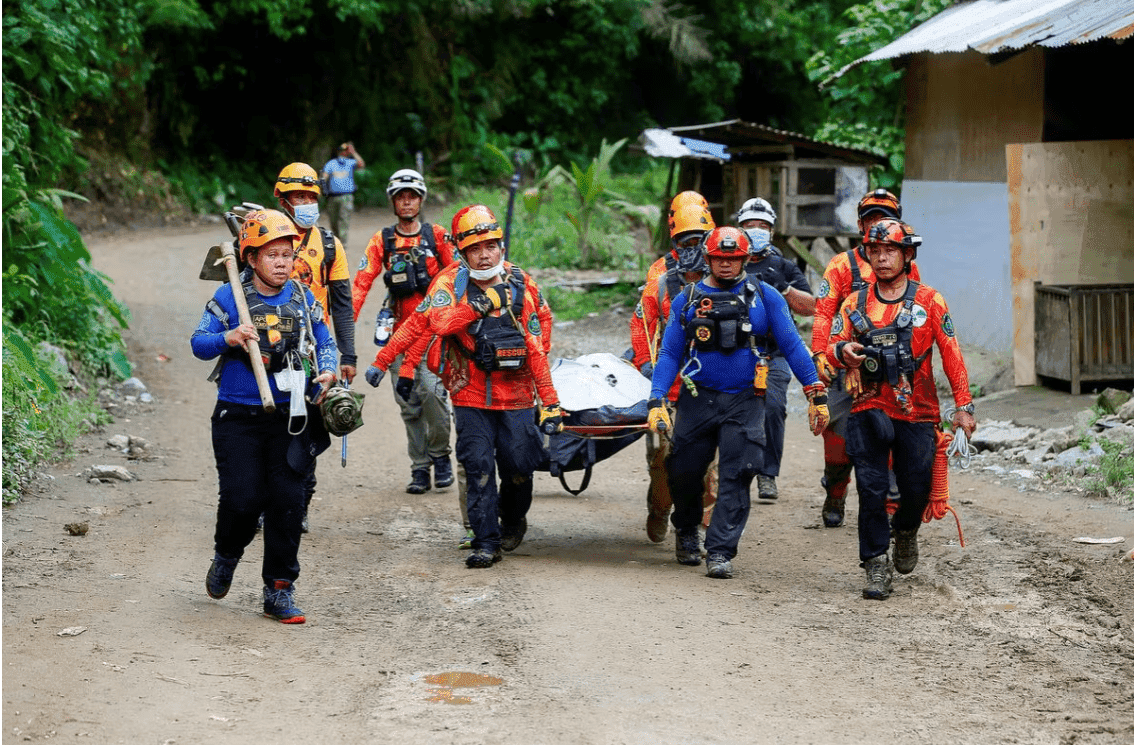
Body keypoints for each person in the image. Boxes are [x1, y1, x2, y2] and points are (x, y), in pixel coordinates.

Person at [648, 226, 830, 580]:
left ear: (745, 259)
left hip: (746, 398)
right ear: (708, 258)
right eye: (719, 258)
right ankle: (686, 528)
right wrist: (657, 398)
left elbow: (792, 344)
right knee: (683, 470)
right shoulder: (687, 298)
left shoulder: (766, 296)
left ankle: (719, 550)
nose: (726, 264)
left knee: (739, 471)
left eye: (733, 258)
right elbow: (670, 352)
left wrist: (814, 390)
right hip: (698, 397)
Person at [191, 209, 338, 624]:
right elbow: (198, 343)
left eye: (287, 255)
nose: (281, 263)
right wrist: (229, 337)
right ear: (251, 258)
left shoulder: (303, 299)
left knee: (288, 502)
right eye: (271, 255)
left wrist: (327, 371)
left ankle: (279, 589)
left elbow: (326, 343)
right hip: (237, 415)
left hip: (292, 416)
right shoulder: (229, 297)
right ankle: (227, 555)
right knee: (243, 499)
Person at [822, 218, 976, 600]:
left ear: (907, 255)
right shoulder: (854, 303)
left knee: (916, 487)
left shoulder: (930, 301)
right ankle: (875, 563)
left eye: (890, 250)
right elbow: (831, 344)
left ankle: (906, 529)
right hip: (867, 407)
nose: (882, 258)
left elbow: (952, 354)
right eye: (874, 251)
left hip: (918, 410)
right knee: (871, 488)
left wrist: (963, 406)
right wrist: (842, 352)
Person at [415, 204, 561, 569]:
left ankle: (512, 518)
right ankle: (485, 541)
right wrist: (479, 306)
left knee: (519, 466)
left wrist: (550, 401)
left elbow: (539, 339)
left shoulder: (522, 284)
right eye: (475, 249)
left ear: (501, 247)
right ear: (462, 253)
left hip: (518, 393)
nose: (484, 256)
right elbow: (439, 323)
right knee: (477, 465)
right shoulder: (450, 284)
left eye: (490, 247)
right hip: (470, 392)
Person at [810, 188, 917, 528]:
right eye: (871, 218)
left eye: (885, 218)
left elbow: (917, 313)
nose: (878, 224)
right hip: (846, 364)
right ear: (860, 225)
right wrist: (820, 356)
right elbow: (823, 313)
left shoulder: (908, 266)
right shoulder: (841, 266)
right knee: (838, 442)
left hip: (890, 366)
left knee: (891, 436)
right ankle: (836, 490)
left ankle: (889, 510)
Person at [354, 169, 458, 494]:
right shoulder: (383, 241)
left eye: (412, 196)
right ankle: (420, 468)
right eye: (401, 197)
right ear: (393, 201)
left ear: (421, 200)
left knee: (434, 396)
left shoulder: (437, 236)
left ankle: (440, 454)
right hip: (398, 334)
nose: (407, 202)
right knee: (409, 404)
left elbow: (460, 275)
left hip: (435, 334)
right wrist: (343, 328)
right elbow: (360, 284)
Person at [274, 162, 357, 531]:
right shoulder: (263, 239)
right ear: (283, 201)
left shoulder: (329, 245)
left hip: (311, 352)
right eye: (298, 197)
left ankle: (300, 502)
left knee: (306, 430)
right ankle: (264, 501)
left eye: (311, 197)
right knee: (266, 428)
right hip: (267, 348)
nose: (306, 204)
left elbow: (342, 303)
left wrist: (347, 354)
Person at [629, 201, 714, 542]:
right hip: (672, 383)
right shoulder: (661, 280)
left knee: (708, 465)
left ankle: (696, 530)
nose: (693, 247)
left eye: (699, 239)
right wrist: (646, 365)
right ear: (674, 240)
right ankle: (660, 506)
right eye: (685, 241)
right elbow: (641, 326)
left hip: (712, 386)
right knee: (666, 459)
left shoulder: (726, 275)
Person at [735, 197, 816, 502]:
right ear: (739, 227)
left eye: (762, 225)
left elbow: (812, 307)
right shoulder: (727, 262)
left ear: (771, 230)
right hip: (734, 351)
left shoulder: (783, 266)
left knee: (772, 406)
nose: (756, 230)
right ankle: (731, 470)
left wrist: (784, 288)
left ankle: (767, 473)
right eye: (750, 225)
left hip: (774, 351)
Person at [320, 141, 365, 248]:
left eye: (346, 150)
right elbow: (324, 176)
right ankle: (336, 240)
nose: (344, 152)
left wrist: (353, 152)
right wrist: (320, 187)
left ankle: (342, 243)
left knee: (344, 219)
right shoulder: (331, 163)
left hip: (346, 196)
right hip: (332, 197)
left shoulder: (350, 163)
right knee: (333, 220)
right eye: (342, 150)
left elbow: (361, 164)